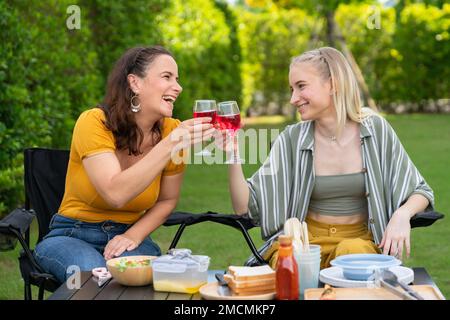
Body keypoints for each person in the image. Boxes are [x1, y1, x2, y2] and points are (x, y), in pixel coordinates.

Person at [218, 47, 435, 269]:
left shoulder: (375, 130)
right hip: (304, 244)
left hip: (361, 243)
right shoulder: (292, 139)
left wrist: (402, 214)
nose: (293, 98)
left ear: (333, 84)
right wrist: (233, 153)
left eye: (301, 86)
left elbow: (421, 191)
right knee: (292, 265)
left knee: (352, 255)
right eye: (292, 89)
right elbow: (244, 207)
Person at [34, 46, 215, 282]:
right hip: (73, 234)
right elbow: (114, 193)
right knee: (95, 276)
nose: (178, 87)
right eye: (167, 77)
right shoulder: (94, 122)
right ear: (135, 83)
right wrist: (169, 145)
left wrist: (133, 235)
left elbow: (167, 200)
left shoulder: (172, 131)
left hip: (129, 234)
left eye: (177, 79)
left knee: (138, 275)